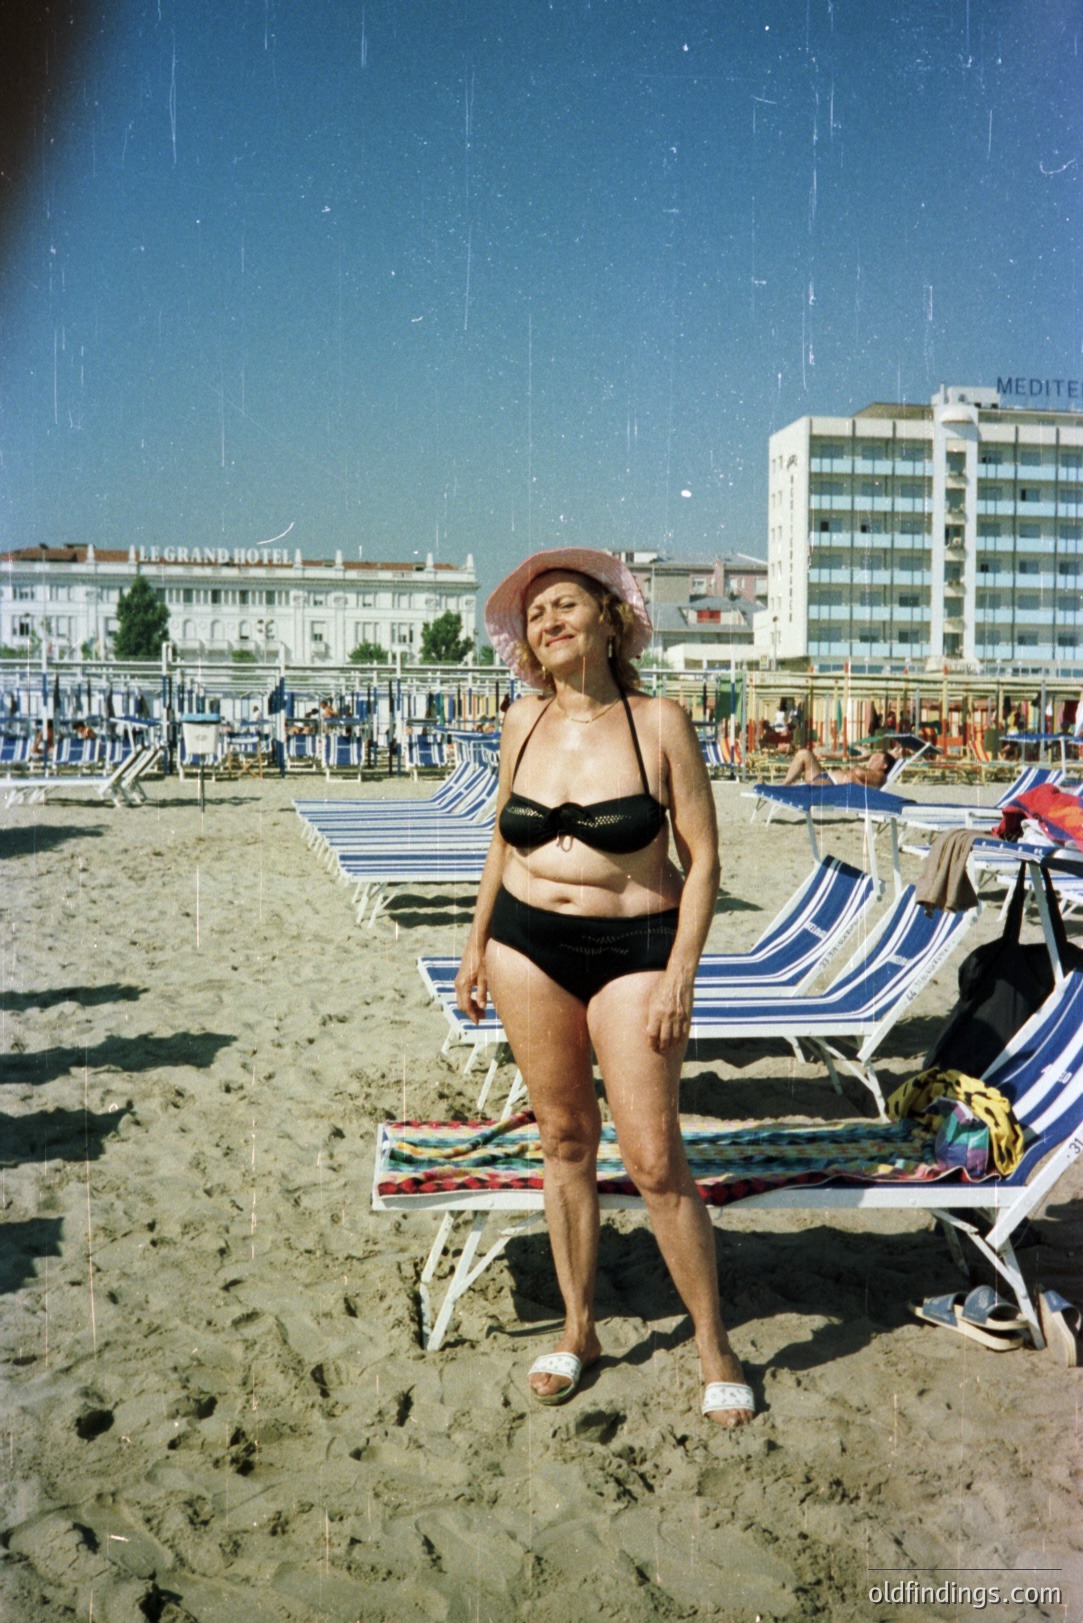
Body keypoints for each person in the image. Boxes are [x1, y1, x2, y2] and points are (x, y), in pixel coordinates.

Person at [454, 548, 753, 1428]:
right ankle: (579, 1328)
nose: (549, 620)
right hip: (523, 945)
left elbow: (704, 861)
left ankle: (714, 1345)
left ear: (610, 620)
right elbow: (500, 844)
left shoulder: (657, 722)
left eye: (567, 605)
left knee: (655, 1158)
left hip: (636, 947)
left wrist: (680, 975)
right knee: (564, 1139)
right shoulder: (521, 722)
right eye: (535, 612)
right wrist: (473, 946)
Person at [783, 742, 900, 789]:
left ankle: (783, 789)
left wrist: (865, 765)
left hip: (832, 785)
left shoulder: (880, 776)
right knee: (804, 754)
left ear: (884, 765)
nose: (873, 758)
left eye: (876, 757)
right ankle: (784, 784)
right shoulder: (871, 772)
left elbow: (858, 772)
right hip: (825, 777)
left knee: (804, 787)